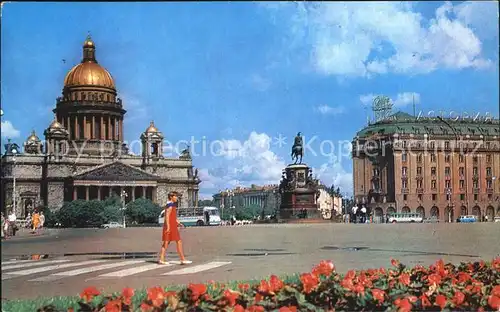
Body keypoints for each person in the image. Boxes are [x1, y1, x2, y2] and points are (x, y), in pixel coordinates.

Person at [158, 192, 192, 265]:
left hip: (171, 226)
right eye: (175, 196)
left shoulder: (171, 205)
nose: (177, 198)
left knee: (167, 243)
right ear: (171, 197)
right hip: (170, 227)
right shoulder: (170, 206)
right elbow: (167, 217)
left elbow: (172, 217)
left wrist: (178, 223)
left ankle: (161, 259)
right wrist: (168, 227)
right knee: (177, 242)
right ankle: (182, 259)